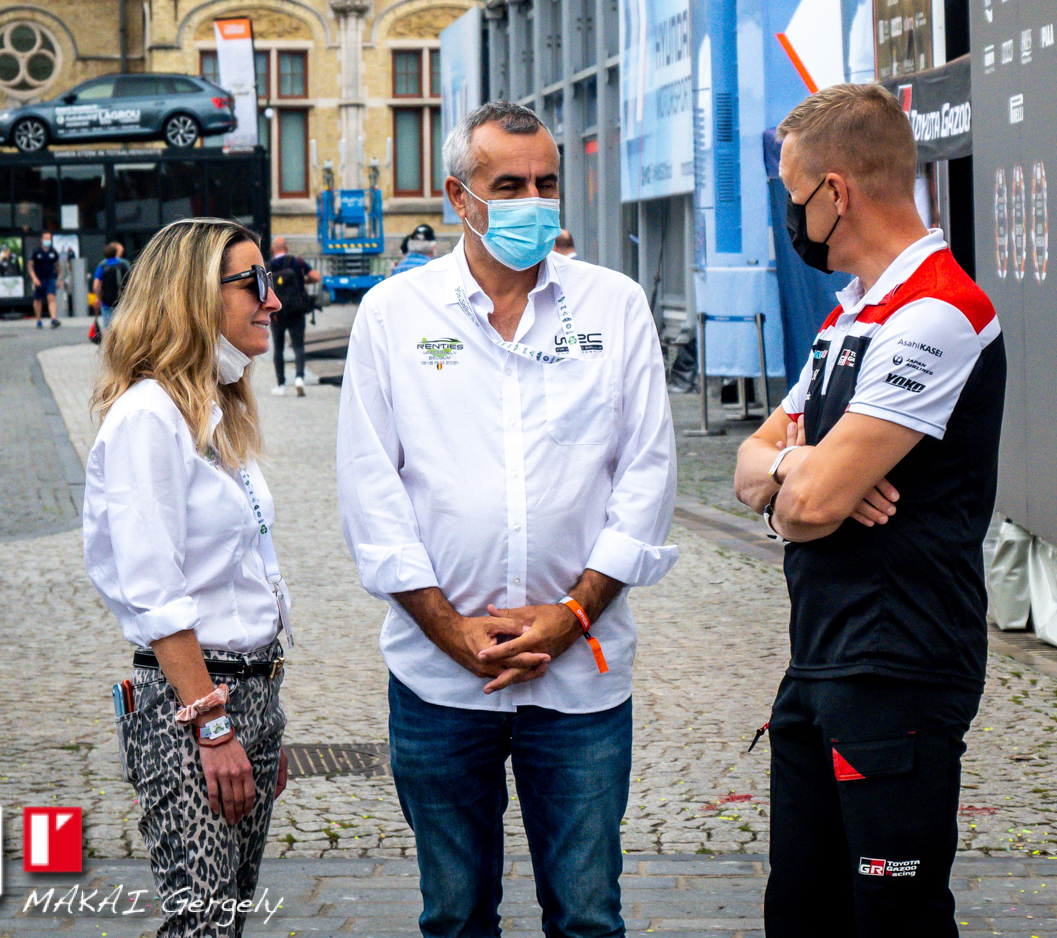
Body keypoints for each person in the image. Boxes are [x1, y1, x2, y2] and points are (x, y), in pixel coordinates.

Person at [339, 100, 677, 938]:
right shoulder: (395, 315)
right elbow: (371, 491)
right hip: (439, 679)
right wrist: (446, 628)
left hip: (582, 675)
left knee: (588, 915)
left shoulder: (614, 306)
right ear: (460, 197)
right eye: (511, 186)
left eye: (546, 183)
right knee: (455, 915)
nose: (535, 201)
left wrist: (572, 615)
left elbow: (646, 475)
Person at [731, 84, 1006, 938]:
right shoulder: (852, 313)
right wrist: (799, 468)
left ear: (835, 192)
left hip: (898, 666)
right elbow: (751, 470)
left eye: (792, 194)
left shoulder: (937, 313)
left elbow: (811, 501)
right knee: (801, 913)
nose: (790, 215)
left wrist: (804, 485)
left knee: (893, 917)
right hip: (821, 660)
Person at [82, 218, 294, 937]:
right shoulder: (148, 417)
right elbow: (155, 592)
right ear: (195, 295)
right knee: (202, 924)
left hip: (248, 694)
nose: (272, 300)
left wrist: (262, 720)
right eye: (254, 283)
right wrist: (214, 723)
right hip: (194, 705)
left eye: (270, 281)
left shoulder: (213, 410)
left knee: (224, 921)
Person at [265, 237, 318, 397]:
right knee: (298, 346)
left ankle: (281, 385)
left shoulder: (269, 266)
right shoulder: (297, 262)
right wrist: (304, 281)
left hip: (277, 314)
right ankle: (299, 379)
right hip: (296, 310)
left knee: (278, 348)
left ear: (272, 250)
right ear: (287, 249)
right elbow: (316, 277)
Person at [92, 242, 131, 336]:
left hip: (107, 301)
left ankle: (109, 344)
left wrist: (98, 298)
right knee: (122, 326)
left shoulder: (102, 265)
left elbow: (96, 286)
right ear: (116, 252)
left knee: (107, 327)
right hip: (122, 300)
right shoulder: (124, 263)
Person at [30, 231, 63, 328]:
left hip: (50, 278)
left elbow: (58, 266)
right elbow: (30, 266)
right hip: (39, 278)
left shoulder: (53, 252)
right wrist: (34, 278)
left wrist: (59, 279)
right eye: (46, 239)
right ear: (42, 239)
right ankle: (38, 320)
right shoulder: (36, 251)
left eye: (49, 239)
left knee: (51, 296)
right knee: (38, 299)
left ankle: (53, 319)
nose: (47, 241)